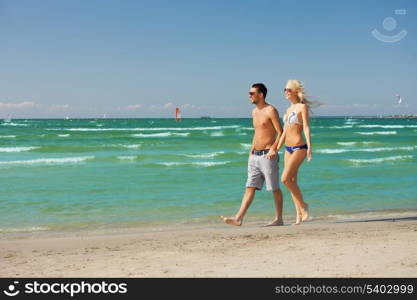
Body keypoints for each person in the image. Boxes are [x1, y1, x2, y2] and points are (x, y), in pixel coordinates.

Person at [221, 83, 284, 226]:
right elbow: (258, 132)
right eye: (249, 93)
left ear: (261, 95)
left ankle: (279, 218)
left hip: (268, 155)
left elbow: (280, 132)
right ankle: (238, 218)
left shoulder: (271, 110)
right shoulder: (254, 112)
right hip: (254, 155)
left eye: (252, 93)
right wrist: (251, 149)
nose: (249, 95)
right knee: (249, 186)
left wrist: (275, 148)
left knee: (274, 188)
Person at [267, 79, 312, 225]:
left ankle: (303, 206)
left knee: (285, 179)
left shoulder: (301, 107)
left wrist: (310, 147)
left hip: (299, 147)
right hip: (288, 148)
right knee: (292, 182)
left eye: (288, 90)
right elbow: (285, 132)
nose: (285, 92)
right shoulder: (287, 110)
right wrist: (275, 148)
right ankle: (298, 215)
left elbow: (306, 127)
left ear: (295, 91)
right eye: (284, 90)